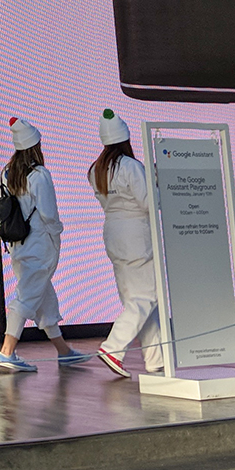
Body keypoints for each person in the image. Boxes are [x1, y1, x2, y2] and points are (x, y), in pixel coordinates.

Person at [0, 117, 91, 373]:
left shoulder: (6, 174)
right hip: (39, 246)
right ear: (36, 146)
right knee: (26, 298)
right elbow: (49, 214)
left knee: (44, 300)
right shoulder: (39, 175)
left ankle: (64, 352)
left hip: (17, 245)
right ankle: (7, 352)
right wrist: (58, 233)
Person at [88, 110, 163, 378]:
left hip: (113, 234)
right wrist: (157, 183)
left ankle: (155, 359)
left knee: (138, 299)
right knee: (147, 296)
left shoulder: (96, 169)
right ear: (126, 139)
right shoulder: (131, 166)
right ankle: (113, 348)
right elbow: (147, 203)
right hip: (136, 236)